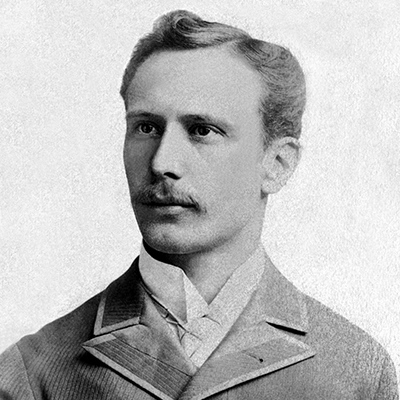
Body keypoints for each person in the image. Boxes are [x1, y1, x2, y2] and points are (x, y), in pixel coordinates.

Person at [0, 10, 398, 400]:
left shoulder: (356, 372)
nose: (162, 163)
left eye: (202, 130)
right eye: (146, 128)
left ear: (277, 164)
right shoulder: (34, 372)